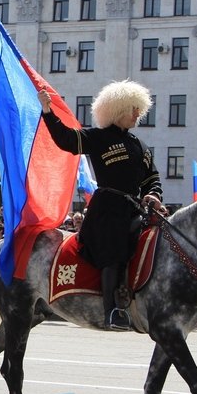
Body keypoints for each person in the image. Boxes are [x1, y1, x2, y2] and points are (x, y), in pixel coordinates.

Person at [39, 80, 167, 330]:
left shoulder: (140, 145)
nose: (137, 114)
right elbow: (66, 139)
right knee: (115, 247)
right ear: (117, 109)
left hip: (135, 209)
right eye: (133, 108)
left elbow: (153, 178)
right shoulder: (97, 137)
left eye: (139, 109)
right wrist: (47, 112)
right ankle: (112, 310)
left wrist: (154, 195)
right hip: (107, 209)